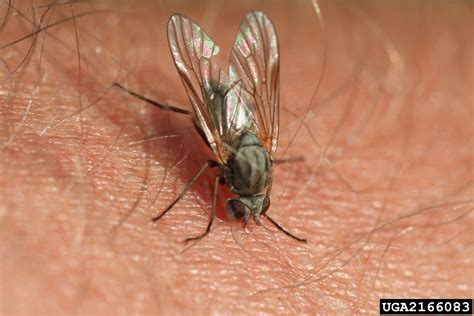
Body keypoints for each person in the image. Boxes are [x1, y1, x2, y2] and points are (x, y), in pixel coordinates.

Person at [1, 1, 472, 314]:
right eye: (248, 209)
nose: (248, 215)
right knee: (191, 109)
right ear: (254, 189)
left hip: (251, 127)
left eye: (244, 209)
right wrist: (206, 220)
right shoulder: (226, 161)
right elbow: (212, 163)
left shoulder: (266, 150)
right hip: (231, 123)